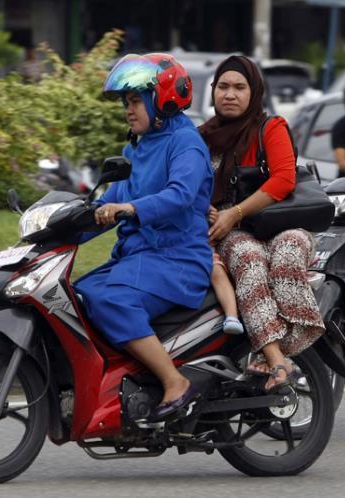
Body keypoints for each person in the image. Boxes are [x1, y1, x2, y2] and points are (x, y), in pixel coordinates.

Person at [74, 53, 213, 420]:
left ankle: (174, 381)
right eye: (126, 102)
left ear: (162, 98)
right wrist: (59, 228)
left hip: (178, 259)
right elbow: (110, 204)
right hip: (139, 256)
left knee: (112, 300)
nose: (128, 110)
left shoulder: (186, 144)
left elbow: (180, 195)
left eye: (135, 100)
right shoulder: (134, 149)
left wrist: (131, 210)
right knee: (78, 295)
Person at [199, 55, 325, 392]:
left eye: (240, 87)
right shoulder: (201, 138)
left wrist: (234, 212)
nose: (230, 94)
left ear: (254, 93)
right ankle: (275, 357)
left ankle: (284, 347)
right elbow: (189, 187)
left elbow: (284, 179)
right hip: (231, 231)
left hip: (278, 221)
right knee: (249, 261)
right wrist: (211, 211)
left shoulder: (270, 127)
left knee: (288, 251)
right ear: (212, 91)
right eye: (223, 87)